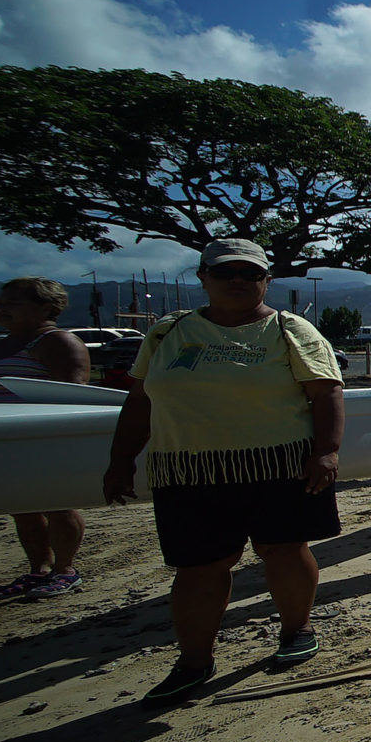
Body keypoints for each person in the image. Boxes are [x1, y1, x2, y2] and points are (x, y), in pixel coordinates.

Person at [104, 240, 346, 706]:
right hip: (190, 469)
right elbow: (141, 401)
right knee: (199, 567)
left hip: (278, 465)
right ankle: (195, 660)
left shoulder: (288, 329)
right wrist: (121, 461)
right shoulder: (167, 333)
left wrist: (327, 452)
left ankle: (296, 629)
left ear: (266, 281)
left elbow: (326, 393)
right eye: (225, 272)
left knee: (283, 549)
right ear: (204, 277)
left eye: (249, 274)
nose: (237, 281)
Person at [0, 277, 92, 599]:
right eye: (0, 304)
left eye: (12, 304)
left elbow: (73, 394)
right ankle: (39, 569)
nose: (2, 310)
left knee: (56, 503)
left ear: (46, 307)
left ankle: (65, 569)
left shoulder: (58, 342)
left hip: (42, 438)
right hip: (5, 441)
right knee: (23, 507)